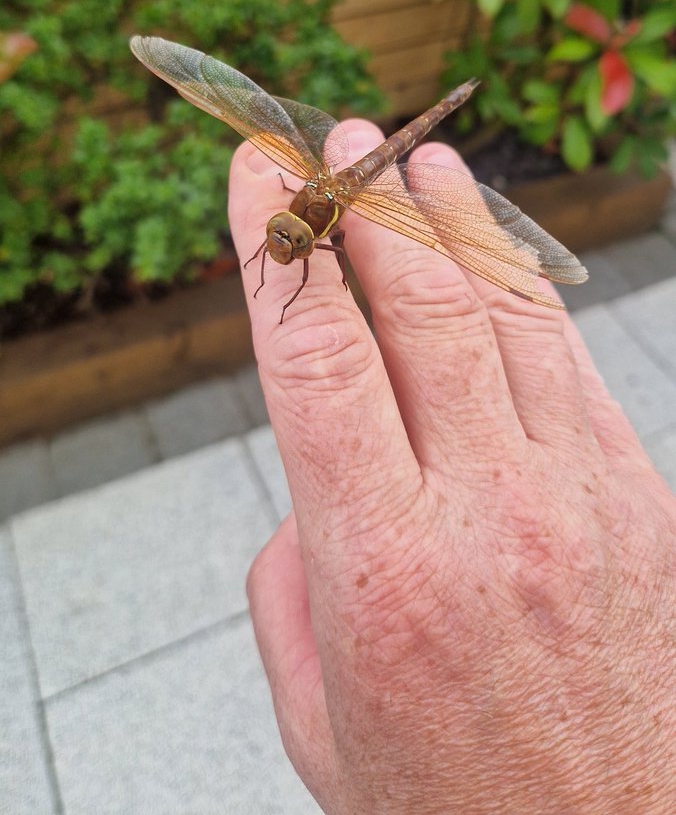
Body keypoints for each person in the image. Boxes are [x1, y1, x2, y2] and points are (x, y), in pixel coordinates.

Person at [228, 119, 676, 815]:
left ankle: (448, 110)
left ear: (317, 235)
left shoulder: (332, 225)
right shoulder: (294, 221)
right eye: (284, 237)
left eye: (295, 240)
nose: (284, 247)